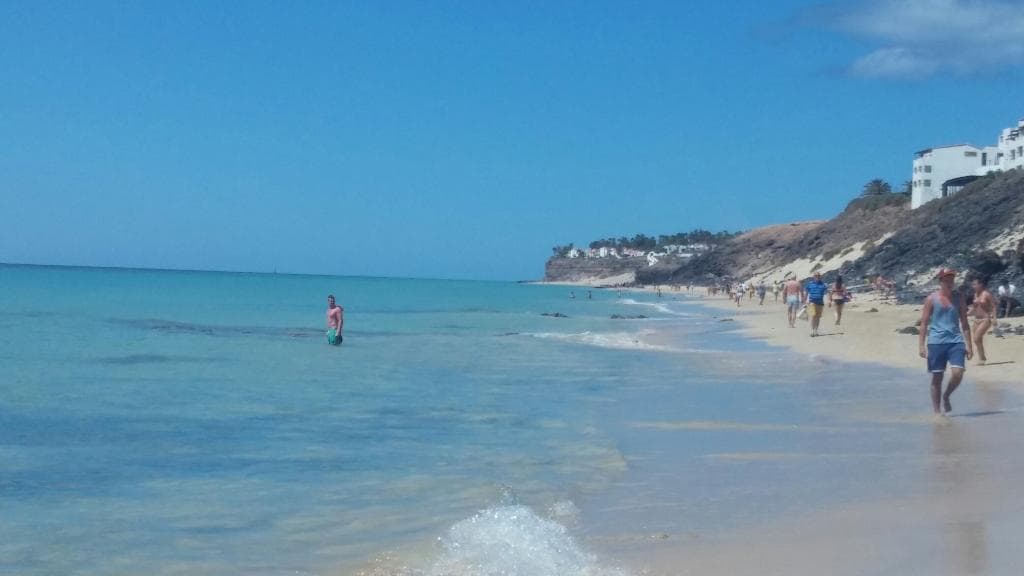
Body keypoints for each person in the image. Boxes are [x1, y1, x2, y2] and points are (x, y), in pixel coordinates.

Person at [919, 268, 973, 414]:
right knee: (937, 377)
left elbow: (965, 322)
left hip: (956, 341)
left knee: (958, 372)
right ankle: (937, 412)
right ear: (941, 281)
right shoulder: (931, 299)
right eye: (947, 280)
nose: (950, 282)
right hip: (936, 342)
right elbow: (923, 323)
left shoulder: (959, 298)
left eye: (952, 279)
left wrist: (969, 345)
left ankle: (947, 395)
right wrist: (921, 346)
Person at [969, 277, 997, 364]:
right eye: (973, 284)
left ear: (980, 284)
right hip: (976, 319)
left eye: (975, 284)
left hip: (985, 319)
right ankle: (982, 358)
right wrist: (966, 313)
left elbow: (994, 306)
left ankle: (982, 357)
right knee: (978, 340)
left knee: (976, 338)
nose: (973, 286)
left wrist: (994, 318)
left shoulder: (986, 294)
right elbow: (974, 308)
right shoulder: (975, 295)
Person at [805, 272, 829, 336]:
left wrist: (829, 300)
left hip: (820, 303)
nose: (817, 277)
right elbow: (806, 293)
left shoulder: (823, 284)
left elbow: (826, 293)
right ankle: (812, 331)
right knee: (813, 316)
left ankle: (816, 331)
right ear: (813, 277)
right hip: (811, 302)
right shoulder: (810, 284)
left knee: (818, 317)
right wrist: (804, 301)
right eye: (816, 276)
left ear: (820, 277)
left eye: (818, 276)